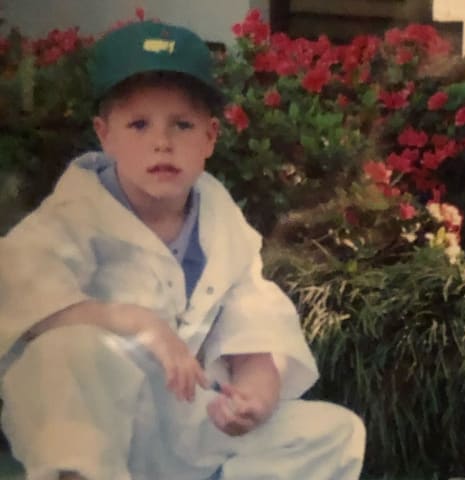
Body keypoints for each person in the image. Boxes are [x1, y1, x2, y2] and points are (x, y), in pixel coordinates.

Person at [0, 20, 365, 480]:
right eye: (138, 124)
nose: (162, 142)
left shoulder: (218, 218)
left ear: (210, 137)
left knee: (334, 430)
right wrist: (136, 322)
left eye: (182, 124)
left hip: (191, 418)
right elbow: (20, 294)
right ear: (104, 134)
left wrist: (254, 394)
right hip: (106, 426)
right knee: (68, 350)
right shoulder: (76, 212)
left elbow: (251, 314)